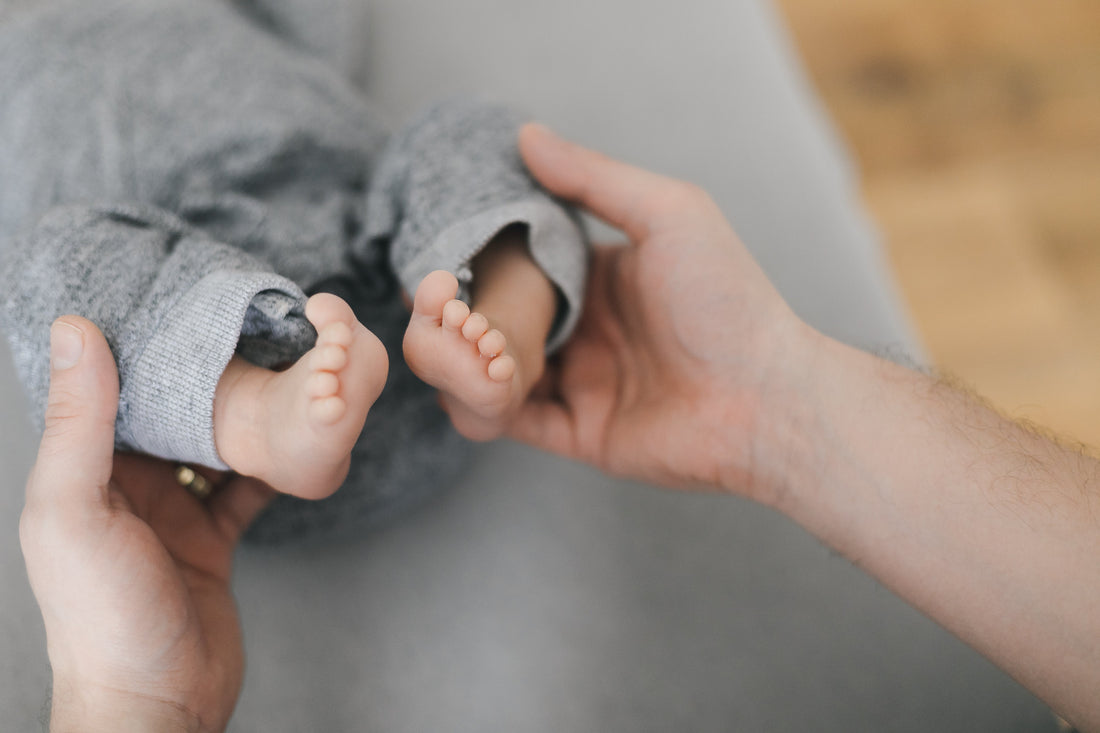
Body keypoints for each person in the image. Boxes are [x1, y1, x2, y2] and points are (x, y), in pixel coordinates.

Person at [22, 124, 1098, 731]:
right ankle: (266, 398)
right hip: (209, 407)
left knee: (465, 137)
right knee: (57, 268)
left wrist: (129, 704)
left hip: (377, 290)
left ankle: (493, 326)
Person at [0, 0, 585, 536]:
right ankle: (251, 411)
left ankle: (503, 321)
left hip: (385, 235)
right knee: (56, 270)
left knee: (471, 126)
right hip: (208, 377)